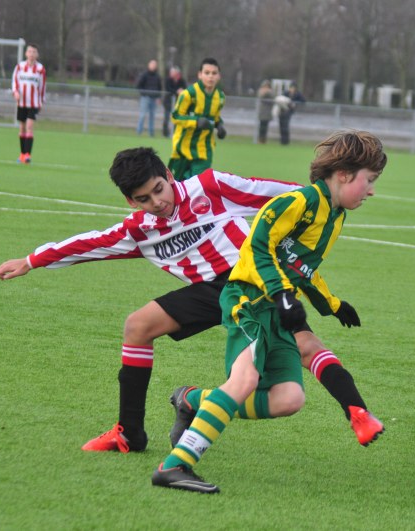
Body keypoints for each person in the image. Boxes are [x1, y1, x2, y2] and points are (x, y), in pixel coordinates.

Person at [0, 147, 384, 455]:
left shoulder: (210, 187)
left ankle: (356, 412)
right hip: (205, 294)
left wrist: (329, 197)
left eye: (159, 190)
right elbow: (91, 242)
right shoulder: (140, 230)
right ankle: (128, 433)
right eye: (143, 199)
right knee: (137, 326)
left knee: (303, 346)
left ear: (169, 175)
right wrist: (31, 260)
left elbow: (282, 195)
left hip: (248, 283)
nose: (157, 202)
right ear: (131, 201)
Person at [152, 130, 388, 494]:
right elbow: (260, 244)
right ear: (343, 173)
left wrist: (333, 304)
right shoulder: (299, 201)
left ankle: (192, 399)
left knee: (288, 399)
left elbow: (302, 266)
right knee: (244, 381)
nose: (371, 190)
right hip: (249, 298)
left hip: (276, 307)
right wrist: (281, 296)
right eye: (368, 180)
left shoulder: (335, 216)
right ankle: (175, 466)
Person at [168, 58, 226, 181]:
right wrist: (196, 121)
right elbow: (175, 116)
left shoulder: (220, 97)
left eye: (214, 73)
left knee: (199, 184)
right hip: (182, 148)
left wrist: (219, 125)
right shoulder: (189, 94)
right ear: (200, 74)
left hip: (204, 150)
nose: (210, 77)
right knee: (175, 185)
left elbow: (215, 117)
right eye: (207, 73)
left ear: (219, 76)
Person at [11, 43, 46, 164]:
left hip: (34, 103)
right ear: (26, 53)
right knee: (22, 128)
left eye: (34, 52)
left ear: (37, 54)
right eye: (30, 51)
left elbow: (42, 87)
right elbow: (14, 82)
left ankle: (27, 155)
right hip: (22, 102)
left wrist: (41, 101)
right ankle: (21, 154)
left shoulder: (40, 69)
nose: (31, 54)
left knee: (29, 126)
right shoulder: (20, 67)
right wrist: (15, 92)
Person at [135, 59, 162, 137]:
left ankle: (151, 133)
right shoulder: (144, 75)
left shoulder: (157, 76)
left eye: (155, 65)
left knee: (152, 116)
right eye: (152, 64)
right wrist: (144, 94)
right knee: (142, 115)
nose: (153, 66)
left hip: (154, 98)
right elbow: (139, 86)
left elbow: (159, 88)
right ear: (149, 65)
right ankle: (139, 132)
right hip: (145, 98)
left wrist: (158, 97)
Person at [162, 66, 186, 138]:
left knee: (176, 119)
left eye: (173, 72)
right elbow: (168, 89)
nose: (171, 73)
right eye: (171, 72)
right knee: (166, 118)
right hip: (168, 102)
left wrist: (181, 91)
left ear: (177, 73)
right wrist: (176, 91)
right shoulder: (168, 80)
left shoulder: (181, 80)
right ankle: (165, 134)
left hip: (178, 103)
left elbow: (184, 89)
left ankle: (176, 133)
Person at [256, 80, 274, 144]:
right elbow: (260, 97)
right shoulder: (261, 91)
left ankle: (264, 140)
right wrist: (264, 93)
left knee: (265, 127)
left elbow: (272, 99)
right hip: (262, 112)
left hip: (267, 113)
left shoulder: (271, 92)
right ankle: (260, 140)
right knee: (261, 127)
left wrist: (268, 92)